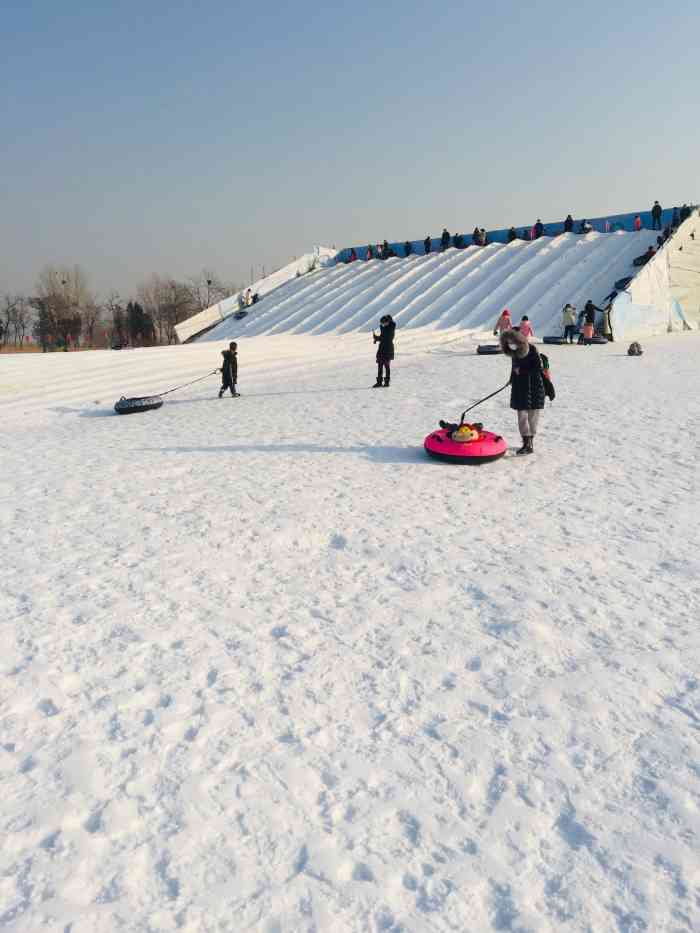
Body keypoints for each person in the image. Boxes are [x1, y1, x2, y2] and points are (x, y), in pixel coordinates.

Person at [499, 328, 545, 455]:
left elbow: (538, 367)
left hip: (534, 386)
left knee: (533, 415)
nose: (510, 344)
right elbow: (514, 368)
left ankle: (530, 442)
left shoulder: (532, 349)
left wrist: (522, 372)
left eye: (512, 341)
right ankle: (526, 442)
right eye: (508, 342)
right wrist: (511, 378)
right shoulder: (513, 351)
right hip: (520, 386)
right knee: (522, 415)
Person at [373, 315, 395, 387]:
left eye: (383, 323)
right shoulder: (384, 328)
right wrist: (377, 338)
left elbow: (386, 338)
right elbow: (382, 337)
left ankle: (386, 382)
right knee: (380, 366)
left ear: (388, 322)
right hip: (382, 349)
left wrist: (377, 338)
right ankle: (379, 382)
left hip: (388, 350)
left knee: (386, 366)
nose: (382, 324)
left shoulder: (390, 329)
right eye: (382, 323)